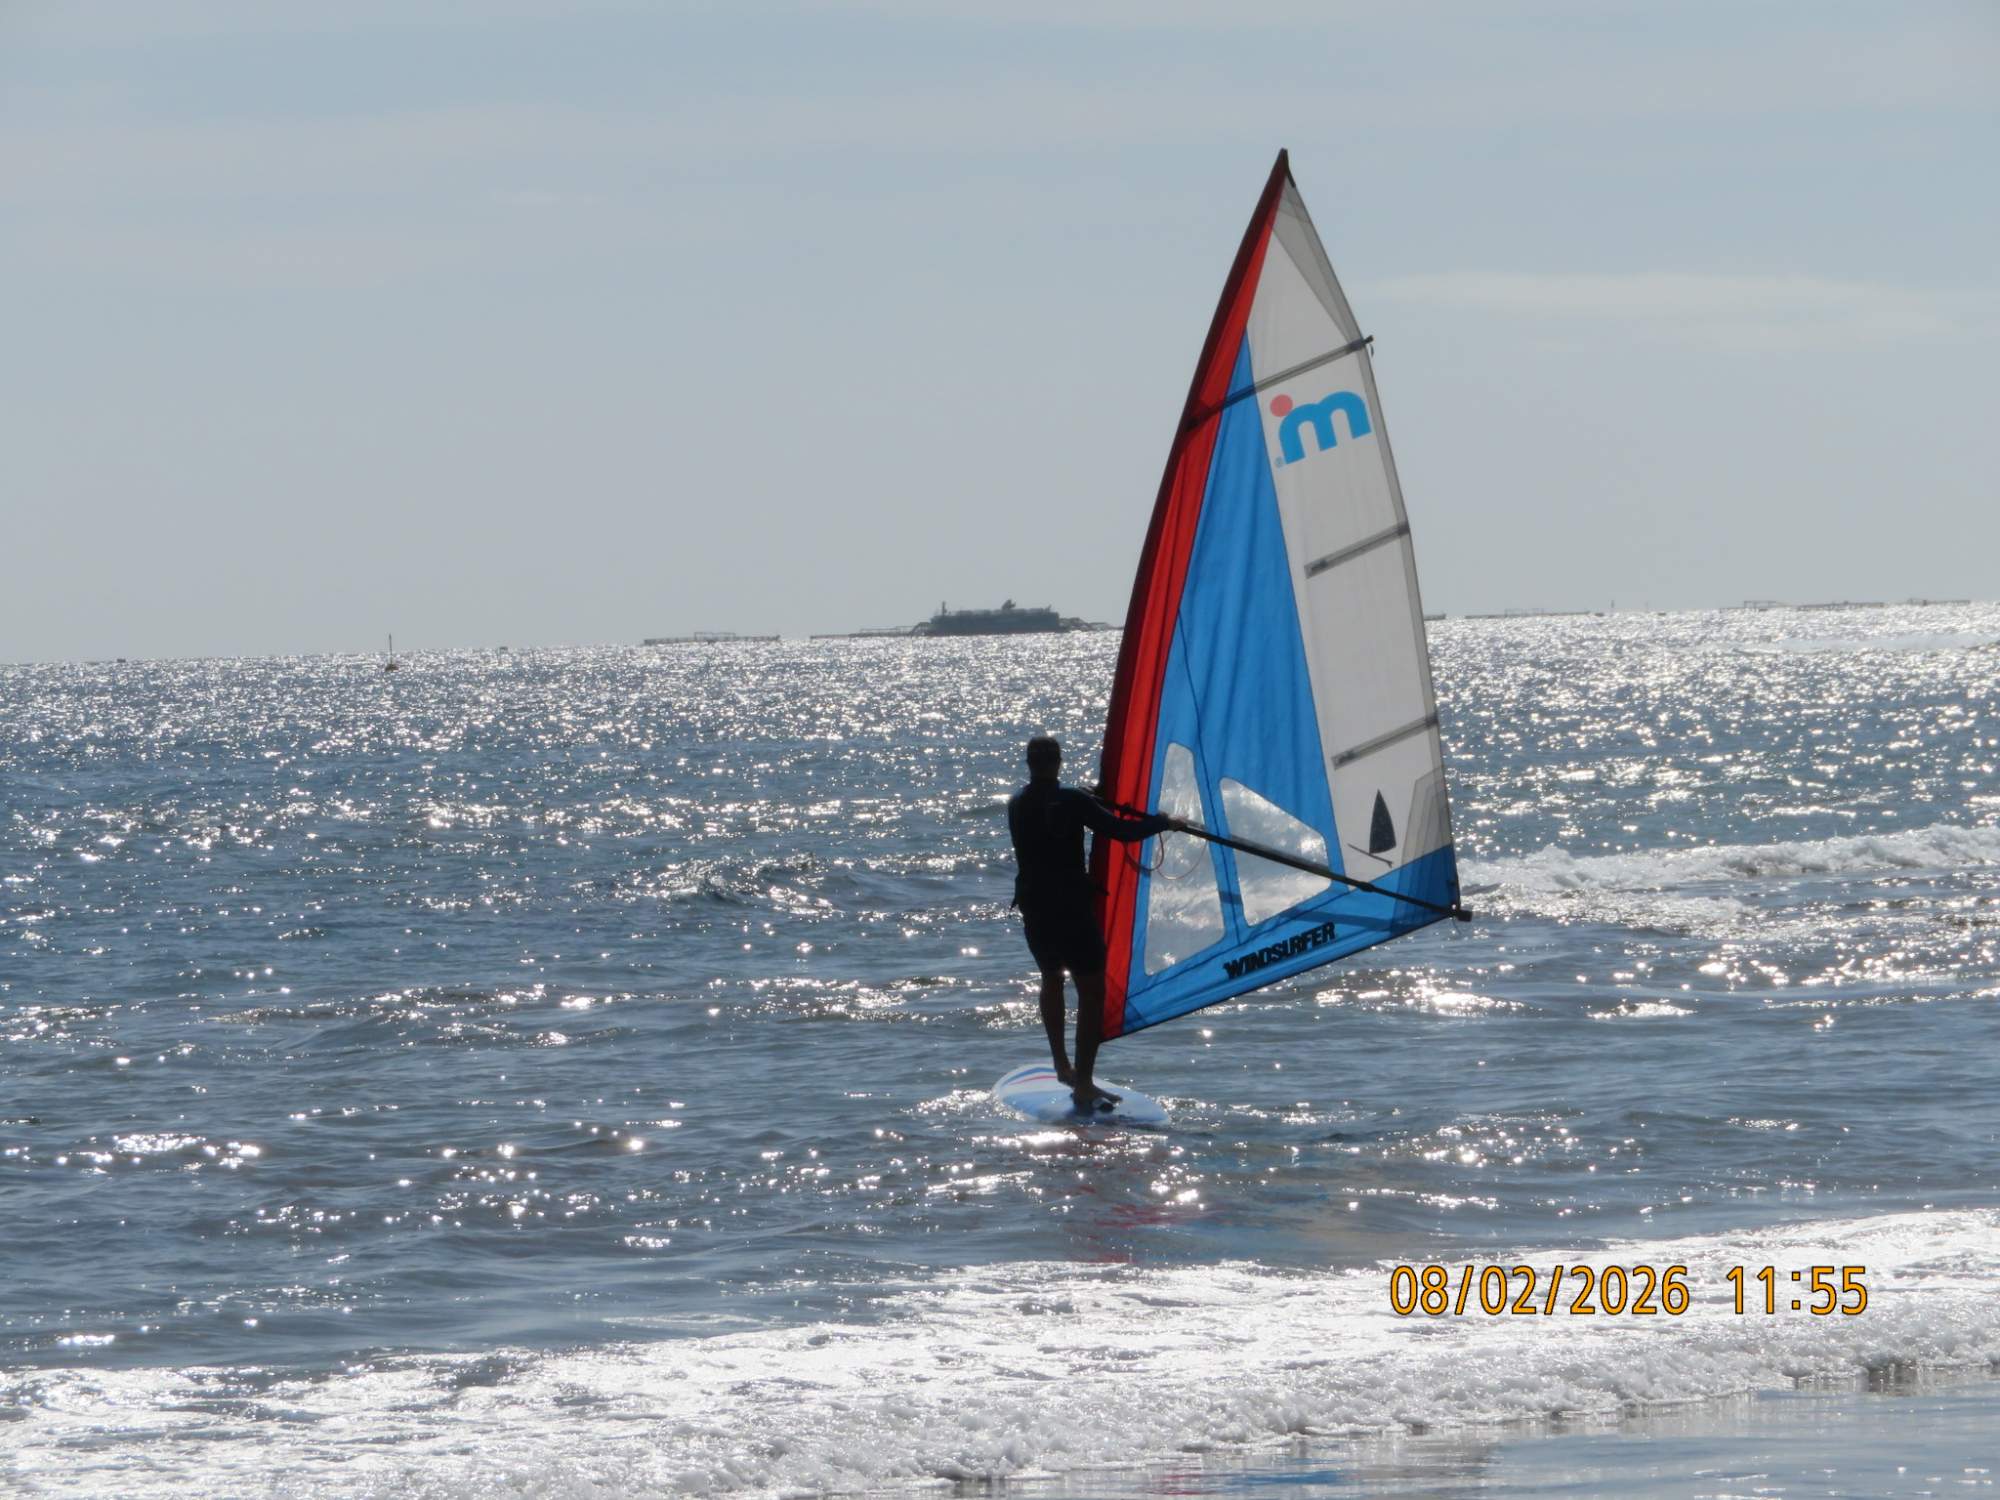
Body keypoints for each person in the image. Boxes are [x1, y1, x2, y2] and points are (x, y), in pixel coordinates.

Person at [1007, 735, 1177, 1113]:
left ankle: (1062, 1066)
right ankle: (1083, 1083)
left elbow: (1056, 808)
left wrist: (1086, 798)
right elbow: (1121, 832)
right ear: (1059, 761)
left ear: (1029, 763)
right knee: (1092, 991)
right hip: (1070, 910)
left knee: (1052, 977)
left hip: (1034, 908)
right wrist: (1163, 823)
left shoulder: (1017, 803)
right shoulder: (1072, 801)